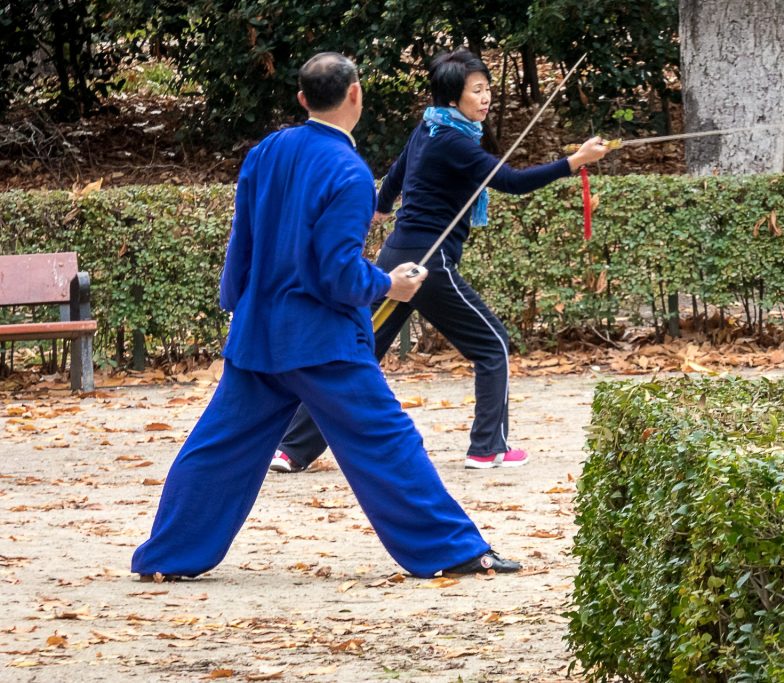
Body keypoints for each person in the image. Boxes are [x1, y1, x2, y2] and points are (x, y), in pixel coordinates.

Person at [132, 52, 520, 580]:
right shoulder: (349, 172)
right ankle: (453, 550)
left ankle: (165, 558)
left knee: (219, 446)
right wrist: (391, 284)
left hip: (259, 332)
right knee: (387, 441)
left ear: (302, 99)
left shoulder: (267, 150)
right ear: (356, 94)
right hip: (322, 340)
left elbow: (241, 244)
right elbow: (338, 274)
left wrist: (239, 307)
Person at [269, 48, 609, 474]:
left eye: (487, 90)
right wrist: (575, 162)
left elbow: (395, 173)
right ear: (453, 99)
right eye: (477, 91)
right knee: (493, 344)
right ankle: (488, 448)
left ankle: (291, 450)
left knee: (358, 351)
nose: (485, 99)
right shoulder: (454, 142)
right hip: (429, 265)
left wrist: (380, 207)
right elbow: (512, 182)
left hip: (398, 257)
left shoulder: (430, 129)